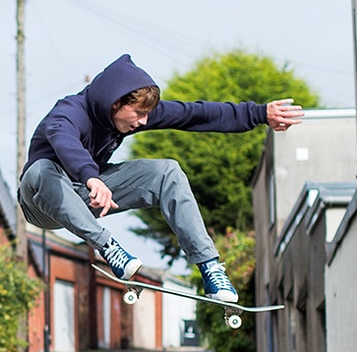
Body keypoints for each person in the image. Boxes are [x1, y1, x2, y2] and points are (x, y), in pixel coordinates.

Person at [18, 54, 304, 303]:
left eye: (147, 115)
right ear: (115, 103)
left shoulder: (131, 114)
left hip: (86, 195)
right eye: (139, 113)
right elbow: (63, 138)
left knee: (167, 171)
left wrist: (259, 113)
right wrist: (91, 176)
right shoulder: (69, 112)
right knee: (42, 169)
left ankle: (210, 268)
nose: (143, 122)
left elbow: (194, 114)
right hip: (41, 201)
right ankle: (109, 248)